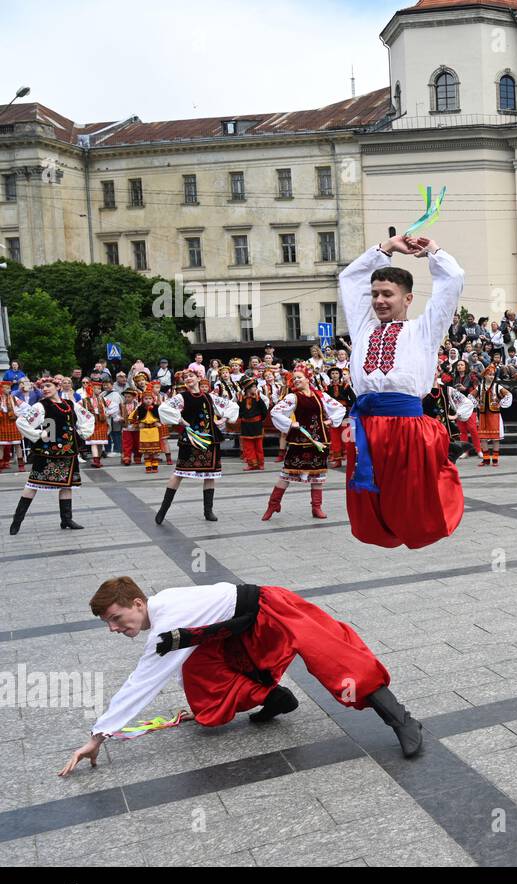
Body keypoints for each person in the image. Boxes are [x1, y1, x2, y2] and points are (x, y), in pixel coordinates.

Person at [58, 577, 423, 776]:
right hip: (232, 633)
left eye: (116, 619)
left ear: (138, 604)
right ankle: (273, 697)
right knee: (201, 675)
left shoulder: (166, 618)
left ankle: (401, 720)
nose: (113, 628)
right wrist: (100, 733)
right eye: (108, 623)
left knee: (334, 659)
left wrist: (98, 737)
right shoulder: (158, 611)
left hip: (270, 608)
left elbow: (141, 683)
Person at [339, 233, 466, 549]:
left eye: (388, 294)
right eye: (375, 294)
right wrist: (387, 249)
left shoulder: (424, 330)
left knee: (409, 498)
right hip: (367, 427)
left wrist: (432, 251)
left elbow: (452, 281)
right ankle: (379, 531)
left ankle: (414, 529)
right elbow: (350, 279)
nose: (379, 300)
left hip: (406, 426)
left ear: (407, 298)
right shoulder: (364, 327)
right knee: (370, 496)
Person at [10, 377, 96, 535]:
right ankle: (17, 520)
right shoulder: (41, 405)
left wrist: (82, 433)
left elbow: (88, 417)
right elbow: (22, 421)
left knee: (67, 484)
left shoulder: (70, 404)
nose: (45, 389)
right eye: (43, 387)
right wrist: (38, 433)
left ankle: (66, 519)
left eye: (48, 386)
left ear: (57, 387)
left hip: (68, 451)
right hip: (47, 451)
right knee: (33, 484)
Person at [155, 370, 240, 525]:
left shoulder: (209, 396)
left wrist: (224, 419)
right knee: (179, 473)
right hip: (191, 440)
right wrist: (181, 421)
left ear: (198, 378)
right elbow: (163, 408)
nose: (188, 379)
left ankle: (208, 511)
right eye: (185, 377)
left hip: (209, 440)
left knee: (210, 474)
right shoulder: (182, 397)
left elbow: (231, 405)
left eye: (191, 376)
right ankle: (162, 510)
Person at [263, 368, 348, 520]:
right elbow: (275, 412)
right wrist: (290, 423)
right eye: (294, 378)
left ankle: (316, 507)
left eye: (299, 377)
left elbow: (340, 408)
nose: (296, 380)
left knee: (318, 474)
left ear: (308, 379)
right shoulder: (292, 397)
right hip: (299, 441)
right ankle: (273, 504)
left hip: (319, 442)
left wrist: (331, 420)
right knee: (287, 474)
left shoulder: (320, 395)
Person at [469, 364, 513, 468]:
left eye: (492, 375)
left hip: (494, 415)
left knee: (495, 438)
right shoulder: (480, 387)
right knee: (483, 438)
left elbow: (509, 395)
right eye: (489, 375)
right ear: (484, 376)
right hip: (483, 415)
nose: (491, 377)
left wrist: (500, 403)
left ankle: (495, 459)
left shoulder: (497, 386)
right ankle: (486, 459)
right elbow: (470, 396)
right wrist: (477, 403)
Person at [237, 378, 268, 471]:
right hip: (246, 425)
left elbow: (264, 411)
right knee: (248, 446)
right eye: (253, 387)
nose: (255, 388)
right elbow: (237, 410)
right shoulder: (241, 398)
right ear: (247, 388)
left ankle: (260, 463)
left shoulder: (258, 398)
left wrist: (260, 420)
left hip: (257, 424)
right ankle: (251, 464)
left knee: (258, 446)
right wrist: (242, 417)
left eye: (255, 387)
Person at [0, 380, 28, 474]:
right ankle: (0, 465)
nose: (8, 390)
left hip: (13, 422)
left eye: (9, 388)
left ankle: (21, 465)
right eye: (6, 388)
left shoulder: (13, 398)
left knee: (17, 445)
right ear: (1, 388)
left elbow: (25, 407)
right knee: (1, 446)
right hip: (2, 423)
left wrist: (20, 415)